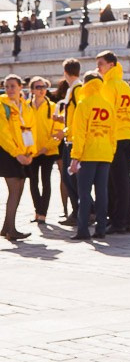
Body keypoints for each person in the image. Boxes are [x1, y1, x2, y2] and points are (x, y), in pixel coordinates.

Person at [68, 71, 117, 241]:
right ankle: (101, 229)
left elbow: (79, 133)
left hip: (88, 153)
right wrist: (111, 151)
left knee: (84, 192)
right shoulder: (108, 104)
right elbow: (113, 133)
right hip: (104, 153)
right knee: (102, 192)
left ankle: (83, 230)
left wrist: (75, 156)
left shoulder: (84, 103)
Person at [95, 51, 130, 235]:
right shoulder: (123, 84)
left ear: (111, 65)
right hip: (127, 133)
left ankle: (119, 220)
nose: (99, 68)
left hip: (116, 136)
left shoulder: (108, 86)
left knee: (116, 181)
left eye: (101, 64)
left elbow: (106, 114)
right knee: (125, 179)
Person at [1, 75, 33, 241]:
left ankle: (6, 227)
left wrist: (30, 153)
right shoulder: (2, 105)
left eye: (13, 86)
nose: (10, 89)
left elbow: (30, 129)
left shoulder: (26, 106)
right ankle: (11, 230)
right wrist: (17, 154)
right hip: (7, 153)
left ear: (21, 87)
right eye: (7, 86)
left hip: (23, 152)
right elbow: (3, 134)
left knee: (20, 188)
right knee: (14, 190)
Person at [25, 77, 62, 224]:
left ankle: (43, 214)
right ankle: (37, 211)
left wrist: (46, 147)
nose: (41, 89)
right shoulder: (26, 106)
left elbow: (57, 132)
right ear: (32, 90)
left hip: (48, 151)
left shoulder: (53, 107)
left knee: (46, 182)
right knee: (33, 181)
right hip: (31, 151)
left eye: (44, 87)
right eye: (38, 87)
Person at [55, 58, 83, 227]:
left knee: (70, 177)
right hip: (70, 137)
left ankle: (81, 210)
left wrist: (65, 131)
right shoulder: (75, 88)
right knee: (71, 177)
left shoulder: (77, 89)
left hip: (73, 140)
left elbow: (80, 115)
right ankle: (82, 209)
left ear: (65, 73)